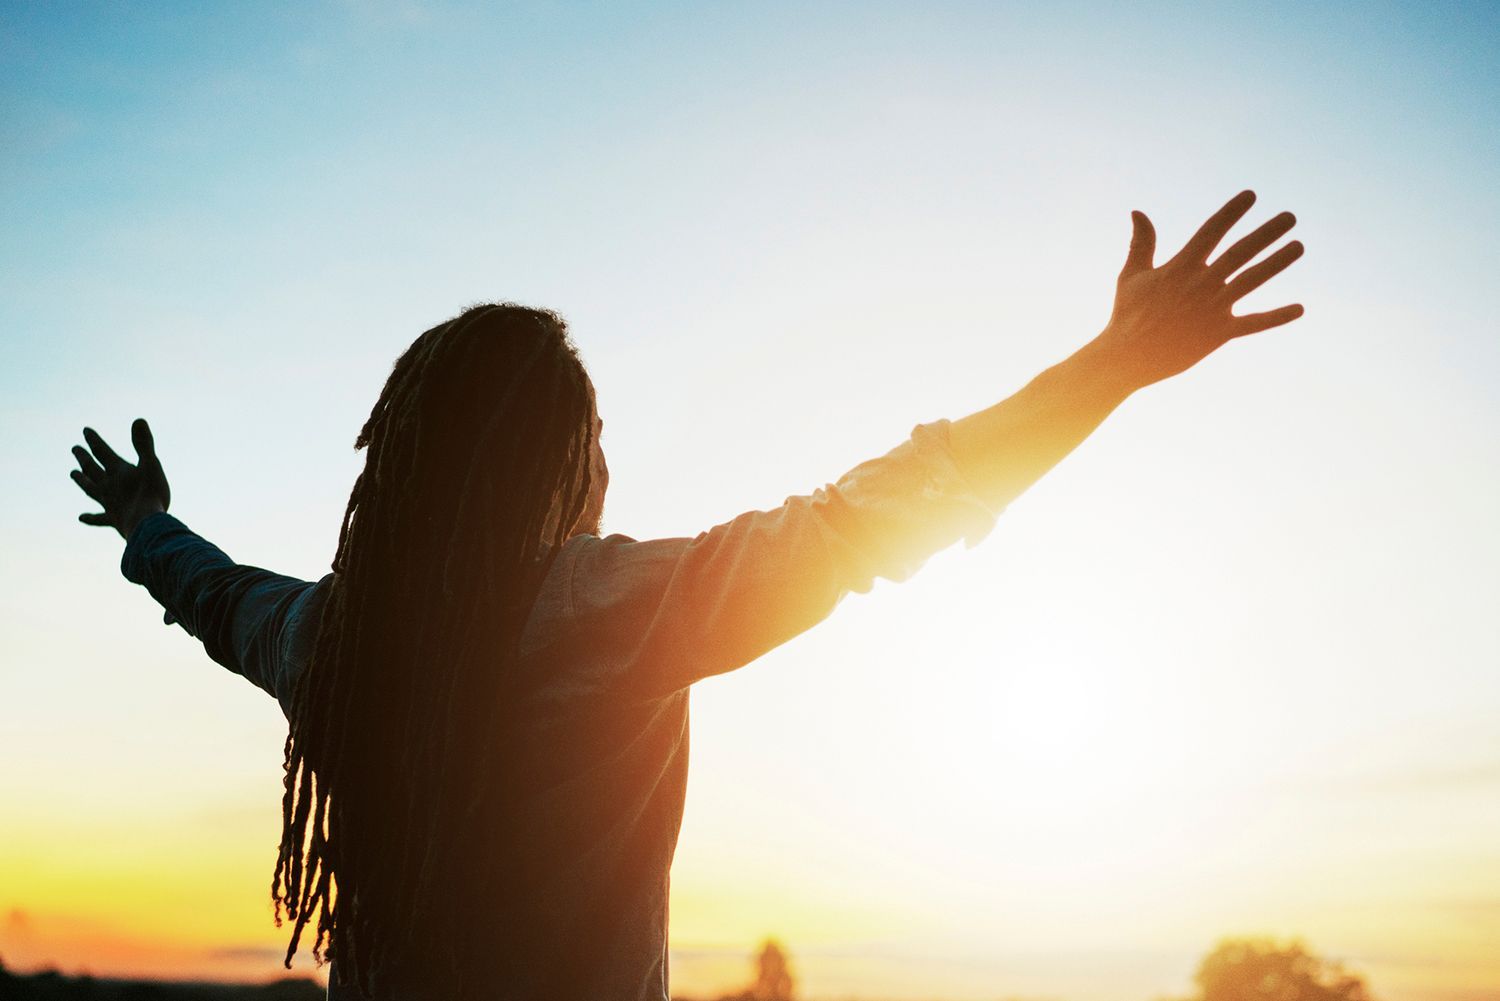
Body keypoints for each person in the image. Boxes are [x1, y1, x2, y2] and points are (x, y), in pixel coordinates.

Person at [69, 191, 1303, 1001]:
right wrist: (1113, 366)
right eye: (588, 438)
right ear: (553, 466)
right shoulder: (600, 610)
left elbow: (214, 594)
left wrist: (141, 520)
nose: (607, 465)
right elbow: (873, 514)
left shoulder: (332, 636)